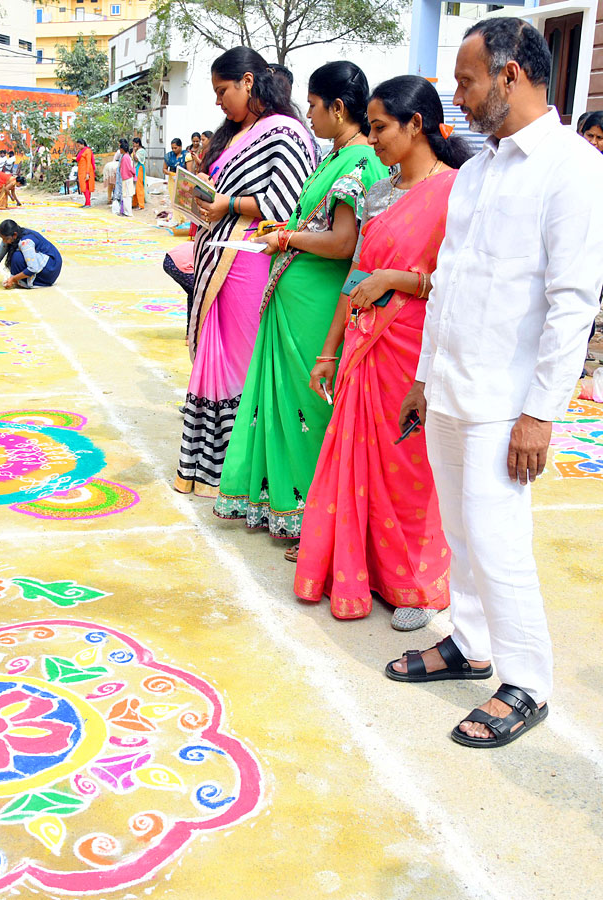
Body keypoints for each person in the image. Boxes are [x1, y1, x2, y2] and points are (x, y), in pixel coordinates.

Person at [388, 19, 603, 748]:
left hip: (506, 399)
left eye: (468, 79)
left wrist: (541, 413)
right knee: (459, 531)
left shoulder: (573, 168)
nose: (458, 94)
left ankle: (527, 682)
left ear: (509, 76)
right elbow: (449, 281)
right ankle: (470, 644)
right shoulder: (479, 168)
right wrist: (423, 376)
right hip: (450, 383)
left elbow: (573, 302)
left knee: (498, 539)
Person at [293, 75, 471, 632]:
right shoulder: (378, 191)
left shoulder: (457, 192)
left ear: (416, 124)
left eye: (379, 128)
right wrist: (328, 351)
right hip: (363, 342)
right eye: (368, 128)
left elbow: (461, 283)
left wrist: (401, 279)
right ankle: (362, 565)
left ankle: (414, 582)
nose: (371, 140)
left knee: (407, 464)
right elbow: (356, 273)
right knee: (356, 457)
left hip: (414, 345)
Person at [216, 62, 388, 557]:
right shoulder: (334, 155)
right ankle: (288, 509)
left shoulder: (360, 162)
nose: (308, 115)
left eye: (313, 106)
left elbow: (344, 242)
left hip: (318, 308)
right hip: (295, 299)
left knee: (312, 410)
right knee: (288, 406)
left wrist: (288, 237)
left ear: (337, 108)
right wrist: (286, 236)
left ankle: (317, 516)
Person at [174, 46, 316, 497]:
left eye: (222, 91)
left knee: (240, 363)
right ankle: (209, 469)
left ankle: (248, 471)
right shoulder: (232, 133)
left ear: (248, 83)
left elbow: (293, 199)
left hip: (249, 258)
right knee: (213, 362)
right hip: (216, 254)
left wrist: (228, 205)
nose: (218, 102)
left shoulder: (285, 133)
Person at [0, 218, 62, 290]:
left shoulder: (25, 242)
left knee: (17, 257)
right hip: (45, 265)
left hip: (50, 268)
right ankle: (22, 279)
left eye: (6, 239)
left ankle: (29, 281)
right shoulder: (10, 238)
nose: (4, 242)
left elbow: (33, 268)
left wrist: (13, 279)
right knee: (15, 255)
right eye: (2, 238)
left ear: (15, 235)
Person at [116, 139, 136, 216]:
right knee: (126, 195)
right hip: (126, 178)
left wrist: (132, 174)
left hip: (127, 178)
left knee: (127, 196)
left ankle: (128, 212)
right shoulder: (126, 156)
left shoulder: (125, 157)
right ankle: (126, 211)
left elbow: (129, 168)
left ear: (122, 149)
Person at [75, 138, 96, 208]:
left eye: (78, 145)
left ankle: (88, 203)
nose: (77, 147)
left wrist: (87, 173)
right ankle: (87, 202)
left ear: (82, 144)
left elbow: (88, 162)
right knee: (84, 187)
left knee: (86, 187)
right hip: (81, 171)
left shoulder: (87, 151)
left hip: (86, 171)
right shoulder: (81, 151)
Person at [132, 137, 147, 209]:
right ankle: (134, 203)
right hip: (135, 169)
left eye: (134, 144)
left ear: (138, 143)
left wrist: (134, 152)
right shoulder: (138, 150)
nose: (133, 145)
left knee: (139, 186)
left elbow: (136, 159)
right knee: (134, 186)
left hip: (139, 168)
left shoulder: (141, 151)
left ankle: (141, 204)